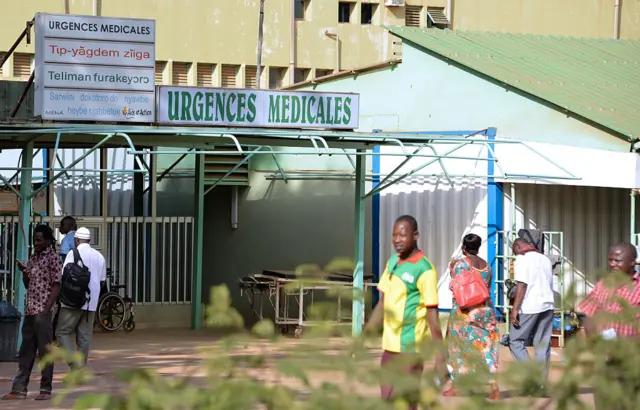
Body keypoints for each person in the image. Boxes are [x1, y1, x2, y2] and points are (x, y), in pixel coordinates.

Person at [365, 215, 444, 410]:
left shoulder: (425, 270)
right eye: (394, 235)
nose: (397, 240)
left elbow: (432, 314)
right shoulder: (393, 261)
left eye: (402, 235)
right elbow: (383, 302)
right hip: (389, 347)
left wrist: (442, 356)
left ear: (415, 235)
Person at [2, 225, 62, 401]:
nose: (35, 243)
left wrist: (46, 309)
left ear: (48, 240)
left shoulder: (53, 258)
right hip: (30, 310)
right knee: (26, 352)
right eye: (34, 240)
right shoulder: (34, 258)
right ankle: (19, 389)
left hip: (42, 311)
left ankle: (45, 389)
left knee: (45, 352)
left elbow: (57, 285)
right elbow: (29, 285)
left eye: (38, 240)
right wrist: (25, 273)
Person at [578, 243, 640, 410]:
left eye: (617, 261)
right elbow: (588, 315)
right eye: (610, 260)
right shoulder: (603, 284)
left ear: (633, 262)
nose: (612, 264)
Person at [443, 234, 500, 399]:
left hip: (465, 312)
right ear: (478, 247)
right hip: (485, 311)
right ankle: (493, 387)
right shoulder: (487, 267)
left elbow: (456, 288)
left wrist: (451, 269)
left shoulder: (460, 264)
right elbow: (485, 288)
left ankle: (457, 386)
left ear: (464, 248)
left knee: (457, 348)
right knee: (487, 347)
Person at [56, 227, 106, 369]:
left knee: (62, 332)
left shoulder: (73, 253)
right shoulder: (99, 256)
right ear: (89, 240)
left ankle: (74, 365)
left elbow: (64, 276)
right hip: (91, 303)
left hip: (73, 301)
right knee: (84, 337)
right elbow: (102, 281)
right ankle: (80, 370)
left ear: (76, 240)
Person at [508, 238, 555, 381]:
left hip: (530, 306)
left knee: (515, 340)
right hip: (548, 305)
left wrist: (514, 309)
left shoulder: (522, 259)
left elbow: (522, 285)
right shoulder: (545, 259)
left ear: (517, 246)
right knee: (542, 344)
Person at [54, 216, 76, 340]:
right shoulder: (79, 239)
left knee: (62, 305)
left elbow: (62, 261)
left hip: (67, 278)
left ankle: (59, 333)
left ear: (68, 226)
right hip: (79, 279)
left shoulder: (66, 240)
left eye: (62, 225)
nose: (60, 227)